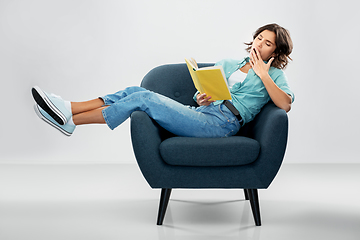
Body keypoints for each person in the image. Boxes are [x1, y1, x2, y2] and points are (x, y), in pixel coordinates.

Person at [32, 23, 294, 138]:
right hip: (202, 112)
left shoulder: (274, 76)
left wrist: (262, 75)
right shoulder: (228, 64)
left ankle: (70, 119)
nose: (260, 44)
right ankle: (68, 107)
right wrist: (201, 97)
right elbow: (202, 94)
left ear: (276, 51)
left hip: (222, 125)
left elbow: (285, 105)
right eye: (259, 37)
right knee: (136, 90)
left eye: (267, 43)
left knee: (145, 98)